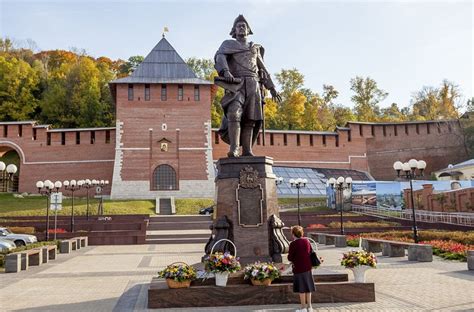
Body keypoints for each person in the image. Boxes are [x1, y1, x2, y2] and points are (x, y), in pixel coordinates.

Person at [214, 15, 281, 157]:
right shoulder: (227, 45)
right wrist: (225, 71)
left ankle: (247, 150)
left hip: (253, 84)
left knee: (250, 119)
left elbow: (263, 68)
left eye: (244, 25)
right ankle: (234, 148)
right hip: (236, 84)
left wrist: (272, 88)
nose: (241, 27)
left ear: (248, 30)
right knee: (233, 113)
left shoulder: (254, 48)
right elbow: (219, 56)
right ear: (234, 30)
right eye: (238, 26)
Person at [288, 225, 315, 312]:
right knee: (308, 287)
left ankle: (303, 308)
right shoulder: (306, 241)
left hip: (299, 268)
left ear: (293, 234)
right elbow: (310, 252)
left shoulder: (293, 244)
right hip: (308, 267)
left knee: (302, 289)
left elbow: (290, 258)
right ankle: (310, 307)